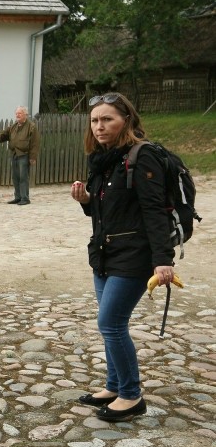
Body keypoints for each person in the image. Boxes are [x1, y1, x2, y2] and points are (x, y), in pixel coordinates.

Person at [69, 92, 176, 423]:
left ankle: (131, 396)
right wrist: (87, 200)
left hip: (134, 256)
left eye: (107, 119)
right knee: (111, 324)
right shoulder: (104, 159)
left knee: (110, 323)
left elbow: (154, 211)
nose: (99, 126)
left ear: (126, 120)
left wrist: (163, 260)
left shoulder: (142, 158)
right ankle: (114, 385)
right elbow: (108, 210)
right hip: (105, 252)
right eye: (94, 120)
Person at [0, 106, 40, 205]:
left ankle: (25, 198)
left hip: (24, 155)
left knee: (23, 177)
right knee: (15, 177)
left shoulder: (31, 127)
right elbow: (4, 134)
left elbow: (35, 143)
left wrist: (33, 157)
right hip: (14, 154)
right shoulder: (14, 126)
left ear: (25, 115)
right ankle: (18, 197)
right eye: (16, 113)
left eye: (19, 113)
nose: (17, 115)